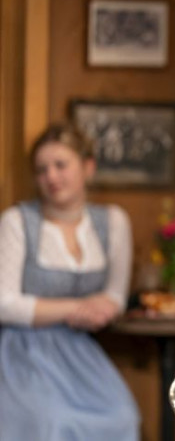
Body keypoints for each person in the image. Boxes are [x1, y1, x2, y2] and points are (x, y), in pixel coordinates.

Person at [0, 123, 140, 440]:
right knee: (53, 422)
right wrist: (77, 308)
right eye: (42, 170)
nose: (51, 177)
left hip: (80, 351)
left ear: (88, 167)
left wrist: (107, 309)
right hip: (23, 353)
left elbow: (115, 294)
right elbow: (5, 305)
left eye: (60, 165)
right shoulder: (17, 221)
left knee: (123, 417)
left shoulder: (113, 222)